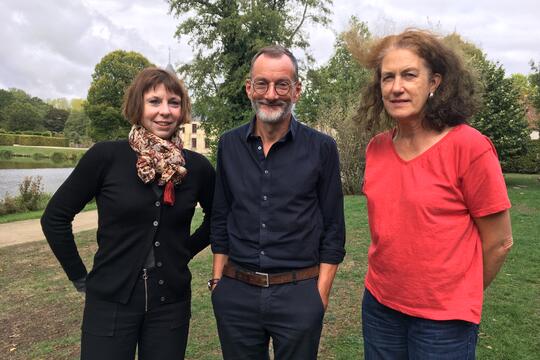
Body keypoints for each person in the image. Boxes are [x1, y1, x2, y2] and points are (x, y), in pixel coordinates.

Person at [41, 67, 215, 360]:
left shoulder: (195, 167)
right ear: (138, 105)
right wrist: (80, 277)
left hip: (169, 302)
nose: (165, 112)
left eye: (174, 102)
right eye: (154, 101)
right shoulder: (106, 156)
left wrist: (184, 251)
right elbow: (55, 217)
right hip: (110, 302)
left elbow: (218, 218)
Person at [358, 29, 513, 359]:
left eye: (409, 75)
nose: (396, 87)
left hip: (444, 323)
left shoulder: (469, 147)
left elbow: (499, 242)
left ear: (435, 82)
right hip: (380, 308)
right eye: (388, 78)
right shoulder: (377, 149)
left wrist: (456, 292)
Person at [209, 45, 346, 360]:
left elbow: (334, 227)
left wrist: (319, 296)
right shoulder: (229, 144)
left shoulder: (322, 148)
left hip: (298, 292)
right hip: (236, 291)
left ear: (296, 90)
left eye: (281, 84)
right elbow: (221, 215)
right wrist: (218, 283)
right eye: (262, 84)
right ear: (249, 89)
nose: (271, 94)